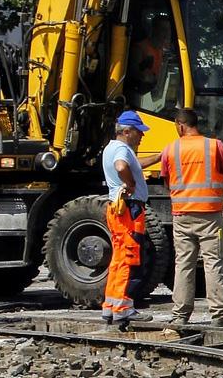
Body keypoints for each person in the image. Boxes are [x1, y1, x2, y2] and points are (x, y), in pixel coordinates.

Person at [159, 109, 223, 326]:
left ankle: (180, 315)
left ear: (180, 126)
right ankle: (221, 315)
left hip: (182, 215)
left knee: (183, 263)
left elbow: (166, 182)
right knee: (213, 263)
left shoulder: (170, 149)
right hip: (210, 215)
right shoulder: (214, 146)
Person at [101, 111, 154, 331]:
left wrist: (160, 157)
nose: (141, 136)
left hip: (117, 208)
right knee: (129, 258)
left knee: (118, 258)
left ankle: (111, 306)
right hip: (129, 209)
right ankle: (124, 309)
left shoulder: (111, 148)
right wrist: (131, 184)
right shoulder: (122, 149)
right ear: (126, 132)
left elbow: (133, 164)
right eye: (138, 132)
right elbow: (122, 166)